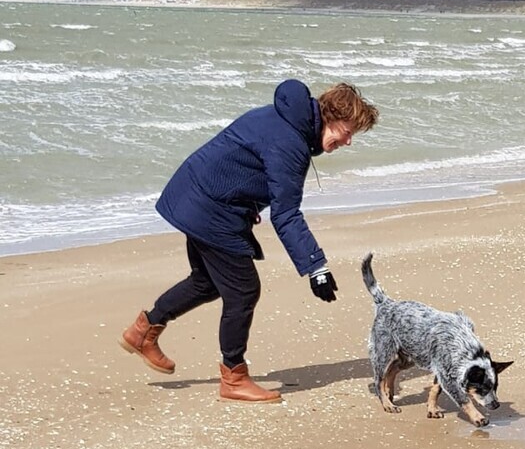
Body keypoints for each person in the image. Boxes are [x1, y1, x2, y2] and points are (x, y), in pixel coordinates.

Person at [120, 79, 379, 402]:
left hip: (195, 195)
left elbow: (239, 165)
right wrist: (316, 268)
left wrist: (248, 204)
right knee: (243, 290)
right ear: (331, 116)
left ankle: (144, 330)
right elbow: (286, 214)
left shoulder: (280, 117)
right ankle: (233, 376)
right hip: (210, 209)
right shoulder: (291, 142)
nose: (348, 141)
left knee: (207, 282)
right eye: (348, 131)